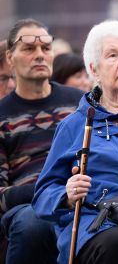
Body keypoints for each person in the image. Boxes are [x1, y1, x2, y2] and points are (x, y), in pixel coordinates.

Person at [32, 20, 118, 264]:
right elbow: (43, 194)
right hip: (99, 224)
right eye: (112, 55)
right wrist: (66, 195)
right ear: (94, 70)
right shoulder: (74, 124)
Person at [0, 18, 85, 264]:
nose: (40, 55)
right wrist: (52, 193)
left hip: (83, 194)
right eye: (29, 48)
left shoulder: (81, 102)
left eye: (46, 48)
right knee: (34, 223)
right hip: (30, 209)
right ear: (10, 58)